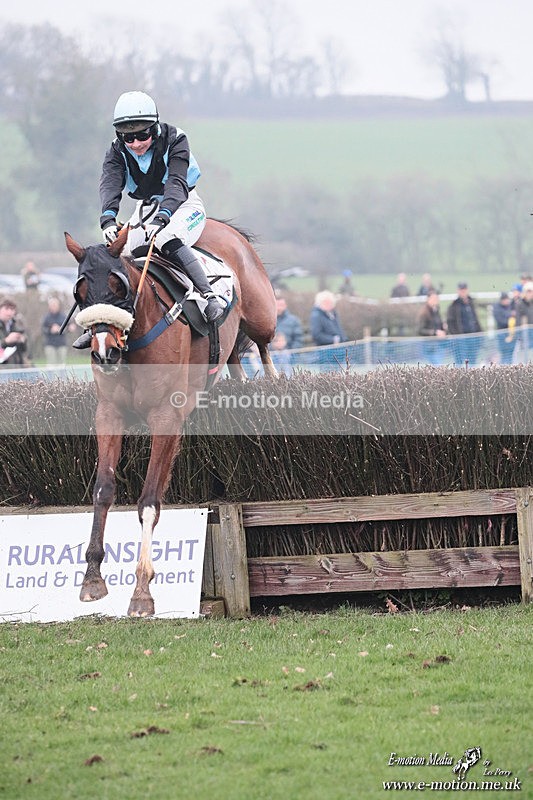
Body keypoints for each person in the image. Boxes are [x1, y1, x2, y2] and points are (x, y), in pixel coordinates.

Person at [74, 90, 224, 348]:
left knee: (166, 237)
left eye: (143, 134)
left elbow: (176, 183)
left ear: (154, 128)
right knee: (120, 253)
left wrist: (163, 217)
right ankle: (104, 324)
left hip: (184, 203)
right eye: (128, 137)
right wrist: (108, 219)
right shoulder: (116, 151)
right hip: (146, 207)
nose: (136, 143)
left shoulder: (176, 139)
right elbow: (110, 185)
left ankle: (210, 295)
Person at [446, 282, 482, 365]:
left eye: (464, 290)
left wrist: (479, 332)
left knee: (473, 361)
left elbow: (476, 319)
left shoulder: (472, 303)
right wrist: (456, 335)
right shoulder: (454, 305)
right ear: (458, 291)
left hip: (473, 337)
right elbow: (450, 322)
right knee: (460, 362)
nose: (463, 292)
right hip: (461, 338)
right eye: (461, 290)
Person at [41, 296, 74, 366]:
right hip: (50, 344)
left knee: (62, 364)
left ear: (58, 306)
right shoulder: (46, 317)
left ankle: (62, 377)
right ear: (49, 306)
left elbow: (69, 327)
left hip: (62, 343)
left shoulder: (64, 316)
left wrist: (64, 329)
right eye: (52, 305)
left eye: (55, 305)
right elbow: (43, 329)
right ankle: (51, 377)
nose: (54, 307)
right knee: (51, 364)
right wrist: (50, 330)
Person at [418, 290, 447, 365]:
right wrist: (435, 333)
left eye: (436, 299)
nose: (435, 301)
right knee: (435, 365)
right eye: (433, 299)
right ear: (428, 299)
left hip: (439, 344)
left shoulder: (436, 311)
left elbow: (439, 325)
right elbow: (420, 330)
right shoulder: (424, 313)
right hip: (428, 345)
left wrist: (443, 328)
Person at [0, 297, 28, 367]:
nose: (9, 312)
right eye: (6, 309)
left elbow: (26, 350)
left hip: (17, 364)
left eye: (12, 309)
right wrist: (6, 341)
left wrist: (22, 340)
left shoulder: (17, 324)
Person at [492, 292, 516, 364]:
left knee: (511, 353)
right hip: (502, 334)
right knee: (504, 353)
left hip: (511, 333)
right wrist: (510, 317)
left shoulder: (511, 306)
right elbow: (500, 321)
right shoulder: (497, 308)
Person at [516, 280, 533, 357]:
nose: (530, 294)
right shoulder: (520, 303)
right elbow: (519, 321)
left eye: (531, 291)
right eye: (528, 291)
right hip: (524, 335)